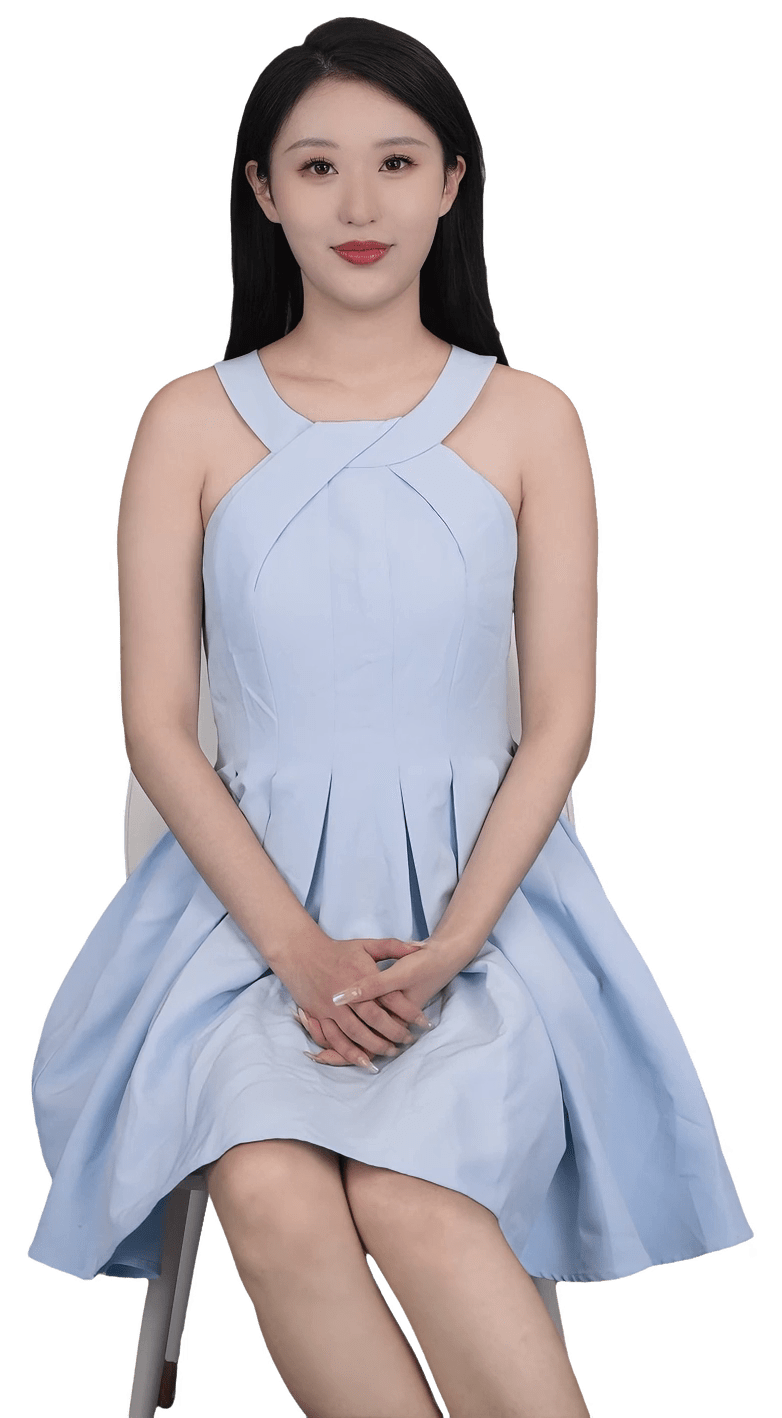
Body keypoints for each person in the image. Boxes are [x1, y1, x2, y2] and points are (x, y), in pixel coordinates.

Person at [27, 16, 753, 1418]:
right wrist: (298, 954)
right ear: (262, 192)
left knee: (418, 1196)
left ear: (452, 181)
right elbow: (157, 725)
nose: (358, 204)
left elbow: (559, 721)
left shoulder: (532, 418)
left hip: (488, 924)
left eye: (396, 162)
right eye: (316, 167)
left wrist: (455, 945)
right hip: (239, 933)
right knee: (264, 1179)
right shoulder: (186, 420)